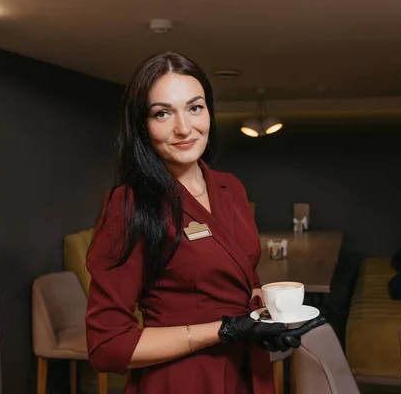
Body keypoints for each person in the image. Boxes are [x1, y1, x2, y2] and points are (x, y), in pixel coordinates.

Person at [85, 51, 325, 394]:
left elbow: (243, 284)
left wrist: (267, 321)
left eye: (195, 107)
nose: (184, 128)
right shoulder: (129, 205)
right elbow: (106, 346)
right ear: (142, 126)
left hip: (248, 373)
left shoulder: (230, 187)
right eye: (163, 113)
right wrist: (224, 330)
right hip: (183, 380)